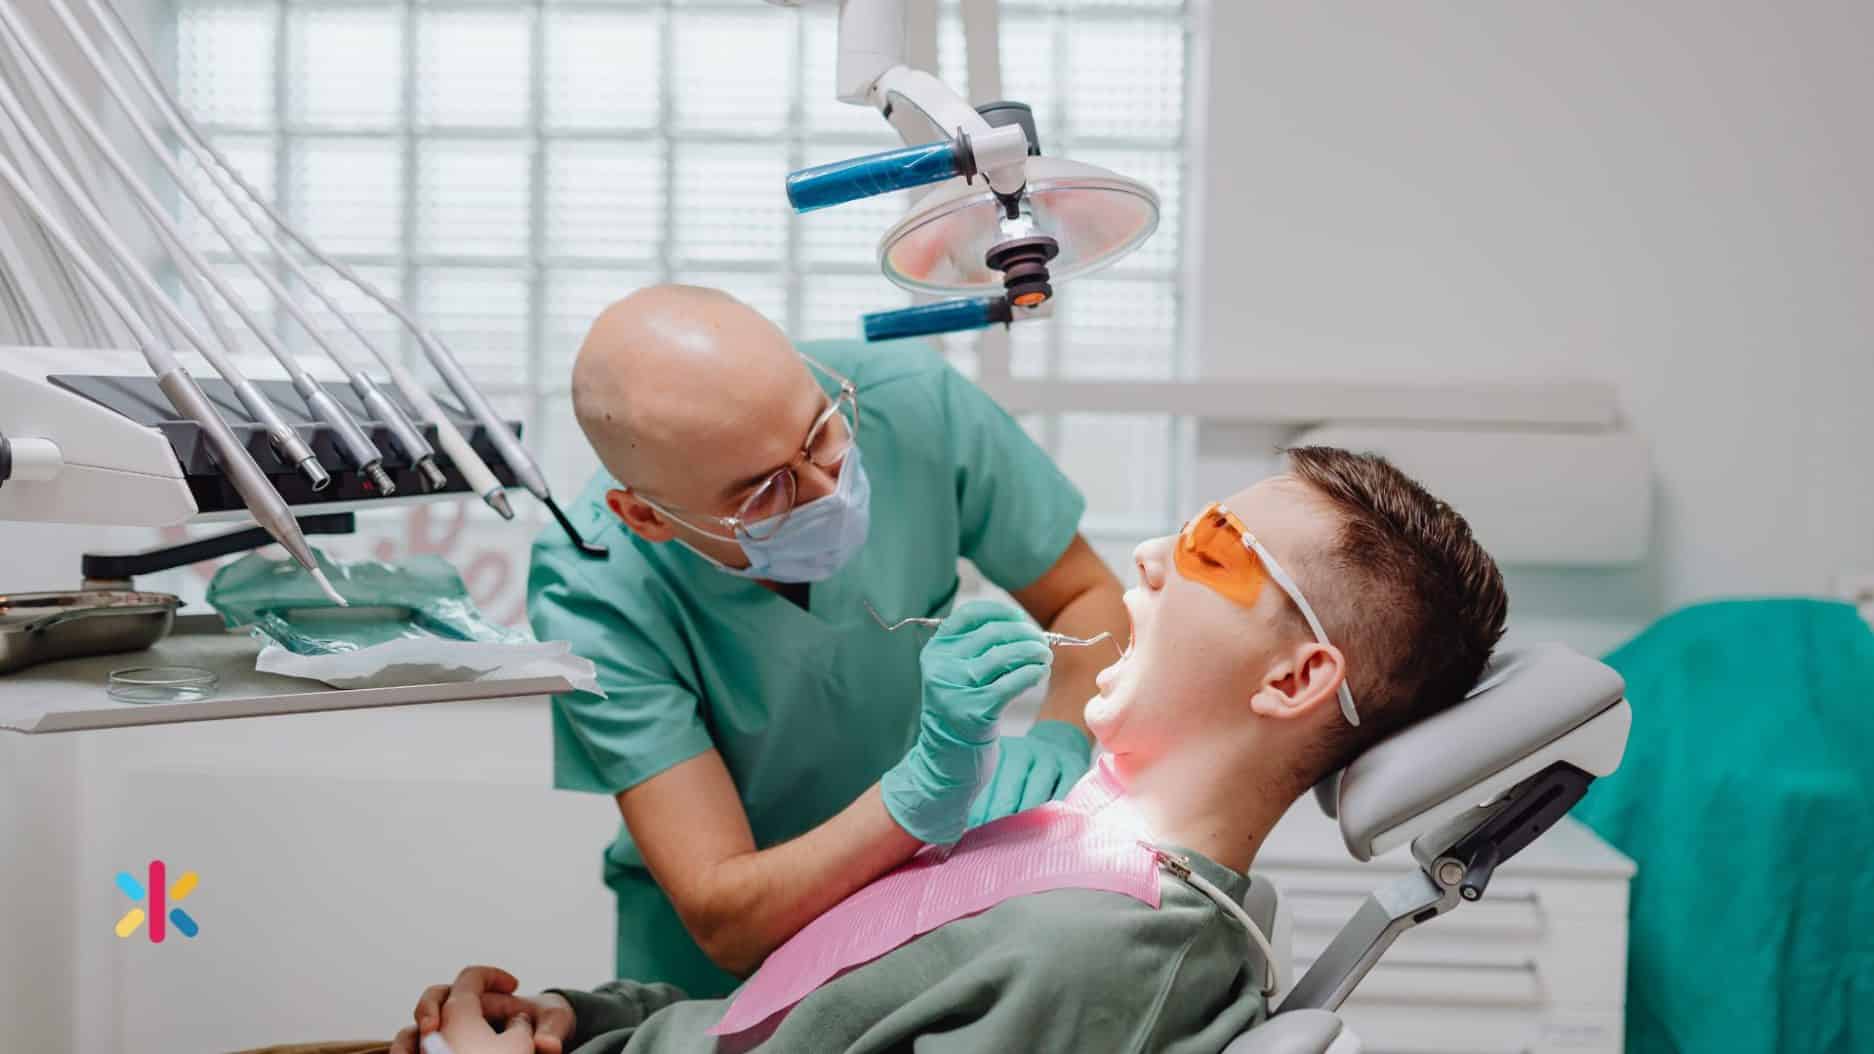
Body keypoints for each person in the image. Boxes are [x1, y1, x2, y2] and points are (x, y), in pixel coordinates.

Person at [387, 446, 1511, 1054]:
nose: (1152, 556)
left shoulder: (1107, 958)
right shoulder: (1064, 842)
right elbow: (777, 1009)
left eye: (1217, 547)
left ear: (1295, 678)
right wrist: (586, 1017)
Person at [528, 285, 1129, 998]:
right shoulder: (593, 589)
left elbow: (1087, 596)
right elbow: (727, 915)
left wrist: (1059, 738)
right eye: (762, 493)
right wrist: (921, 790)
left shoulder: (912, 403)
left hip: (925, 910)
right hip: (724, 978)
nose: (827, 489)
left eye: (820, 434)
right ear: (645, 517)